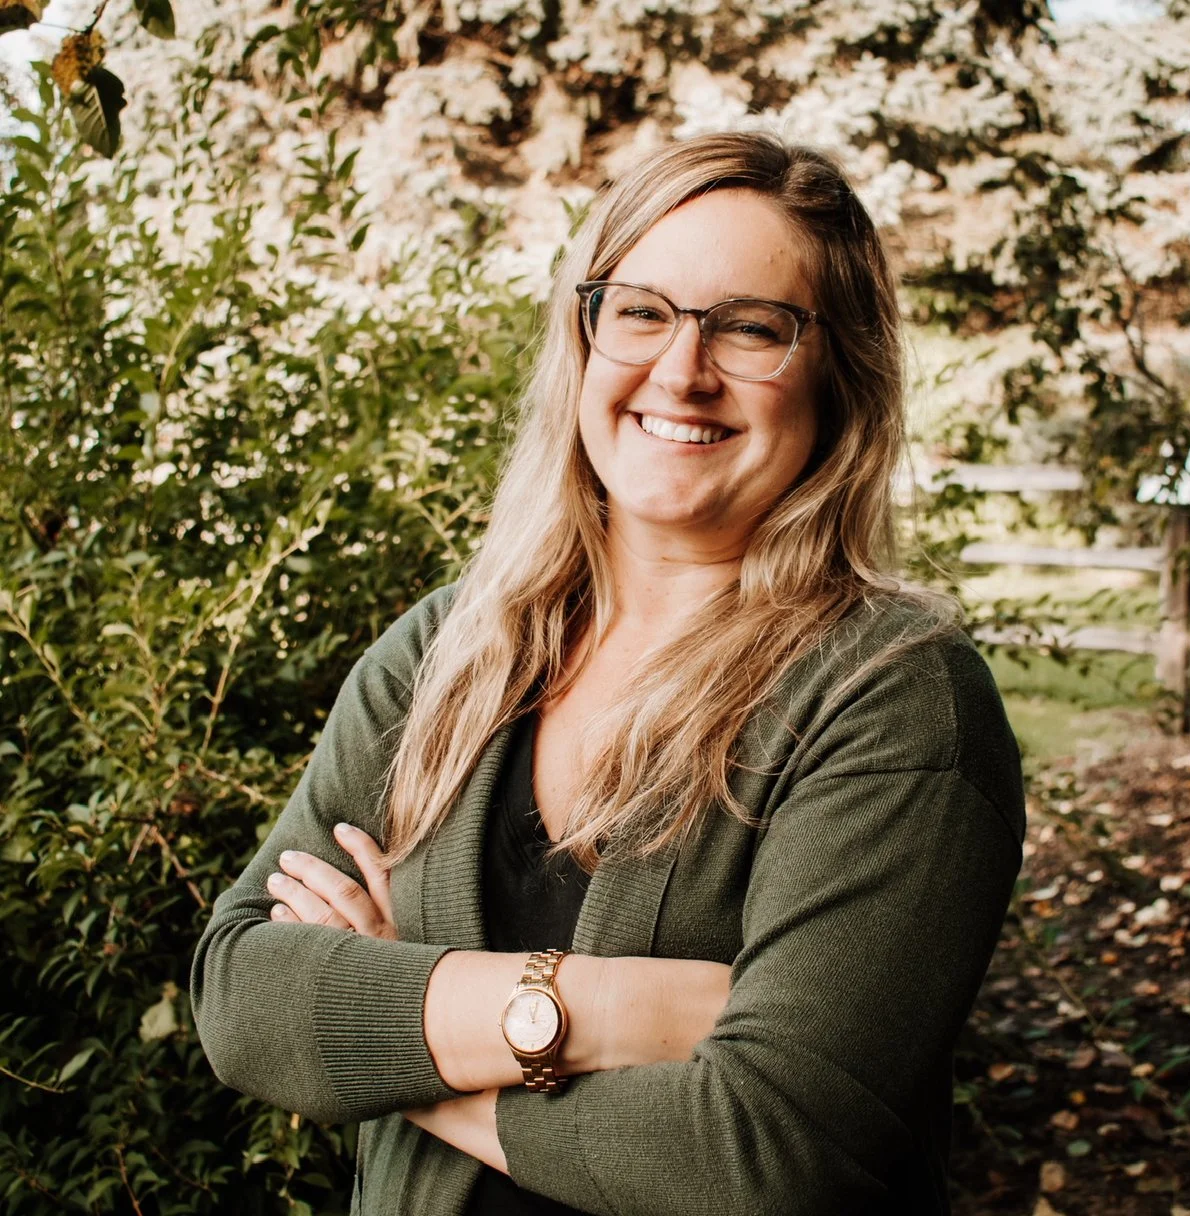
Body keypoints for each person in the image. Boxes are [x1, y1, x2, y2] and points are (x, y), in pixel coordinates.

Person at [190, 128, 1025, 1216]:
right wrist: (605, 1005)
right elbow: (240, 995)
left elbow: (761, 1154)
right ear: (583, 338)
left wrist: (397, 1041)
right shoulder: (450, 652)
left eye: (751, 327)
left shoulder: (895, 698)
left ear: (839, 378)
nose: (681, 369)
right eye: (640, 310)